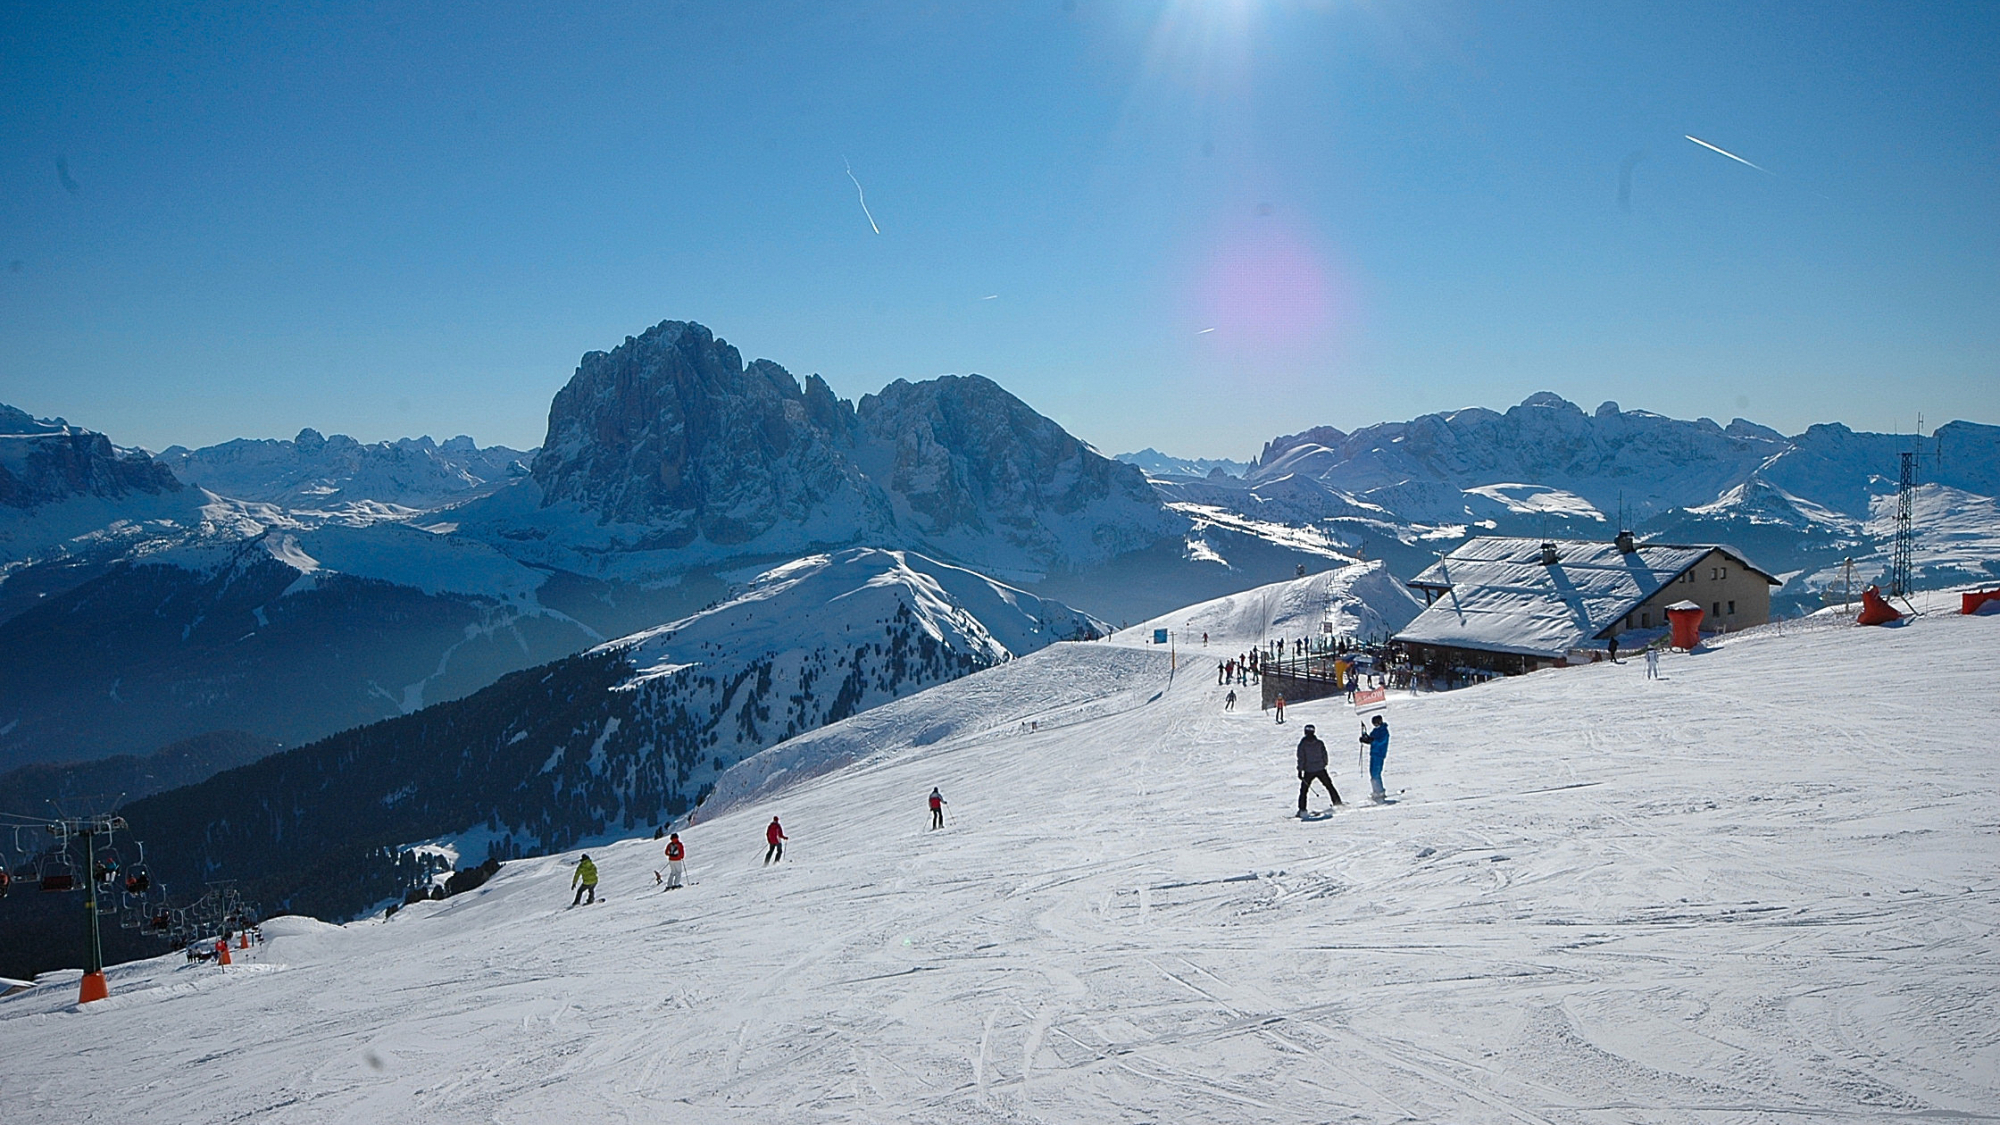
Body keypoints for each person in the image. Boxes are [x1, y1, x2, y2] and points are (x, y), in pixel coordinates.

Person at [1295, 724, 1340, 815]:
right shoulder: (1319, 743)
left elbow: (1301, 758)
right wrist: (1324, 764)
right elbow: (1324, 754)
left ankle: (1302, 809)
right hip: (1320, 769)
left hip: (1309, 771)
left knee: (1304, 790)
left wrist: (1300, 770)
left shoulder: (1303, 744)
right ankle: (1337, 803)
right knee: (1329, 786)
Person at [1359, 716, 1390, 801]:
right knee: (1372, 773)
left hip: (1379, 754)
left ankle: (1380, 791)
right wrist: (1365, 739)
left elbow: (1380, 741)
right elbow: (1371, 739)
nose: (1375, 725)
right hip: (1373, 754)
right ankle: (1376, 790)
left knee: (1376, 773)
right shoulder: (1375, 731)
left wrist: (1371, 740)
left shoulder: (1384, 731)